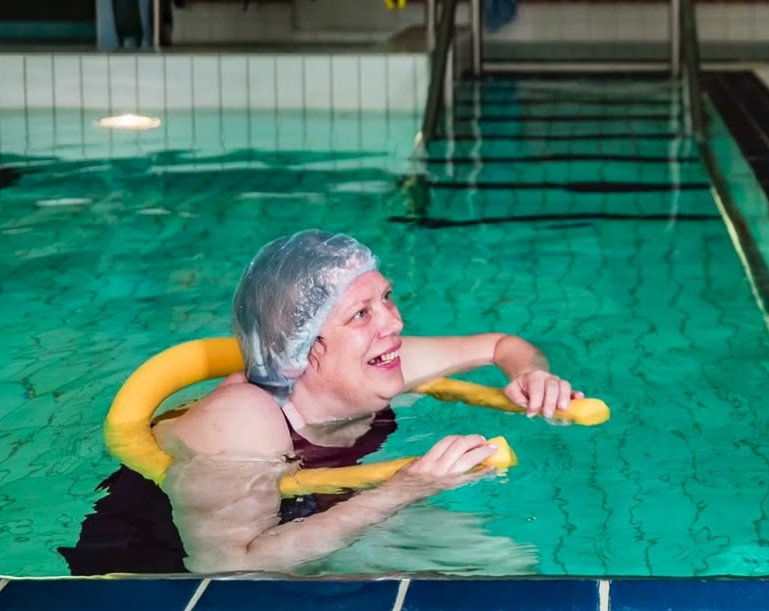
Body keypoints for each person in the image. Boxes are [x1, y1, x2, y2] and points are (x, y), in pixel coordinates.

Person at [153, 229, 584, 574]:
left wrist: (529, 373)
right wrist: (405, 489)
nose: (394, 322)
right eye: (362, 313)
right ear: (300, 347)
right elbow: (226, 567)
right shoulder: (240, 419)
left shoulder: (378, 362)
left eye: (386, 297)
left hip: (314, 508)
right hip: (161, 566)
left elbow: (500, 345)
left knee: (508, 567)